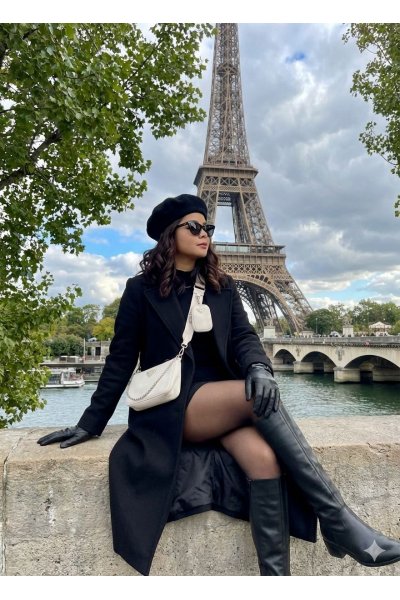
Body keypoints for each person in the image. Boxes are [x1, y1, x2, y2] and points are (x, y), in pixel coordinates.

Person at [38, 194, 400, 576]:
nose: (204, 234)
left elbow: (244, 337)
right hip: (173, 405)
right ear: (170, 234)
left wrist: (259, 367)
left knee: (264, 460)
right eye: (194, 227)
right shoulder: (140, 290)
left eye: (207, 227)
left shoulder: (221, 285)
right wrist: (90, 422)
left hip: (222, 403)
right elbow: (120, 360)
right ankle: (338, 520)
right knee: (253, 397)